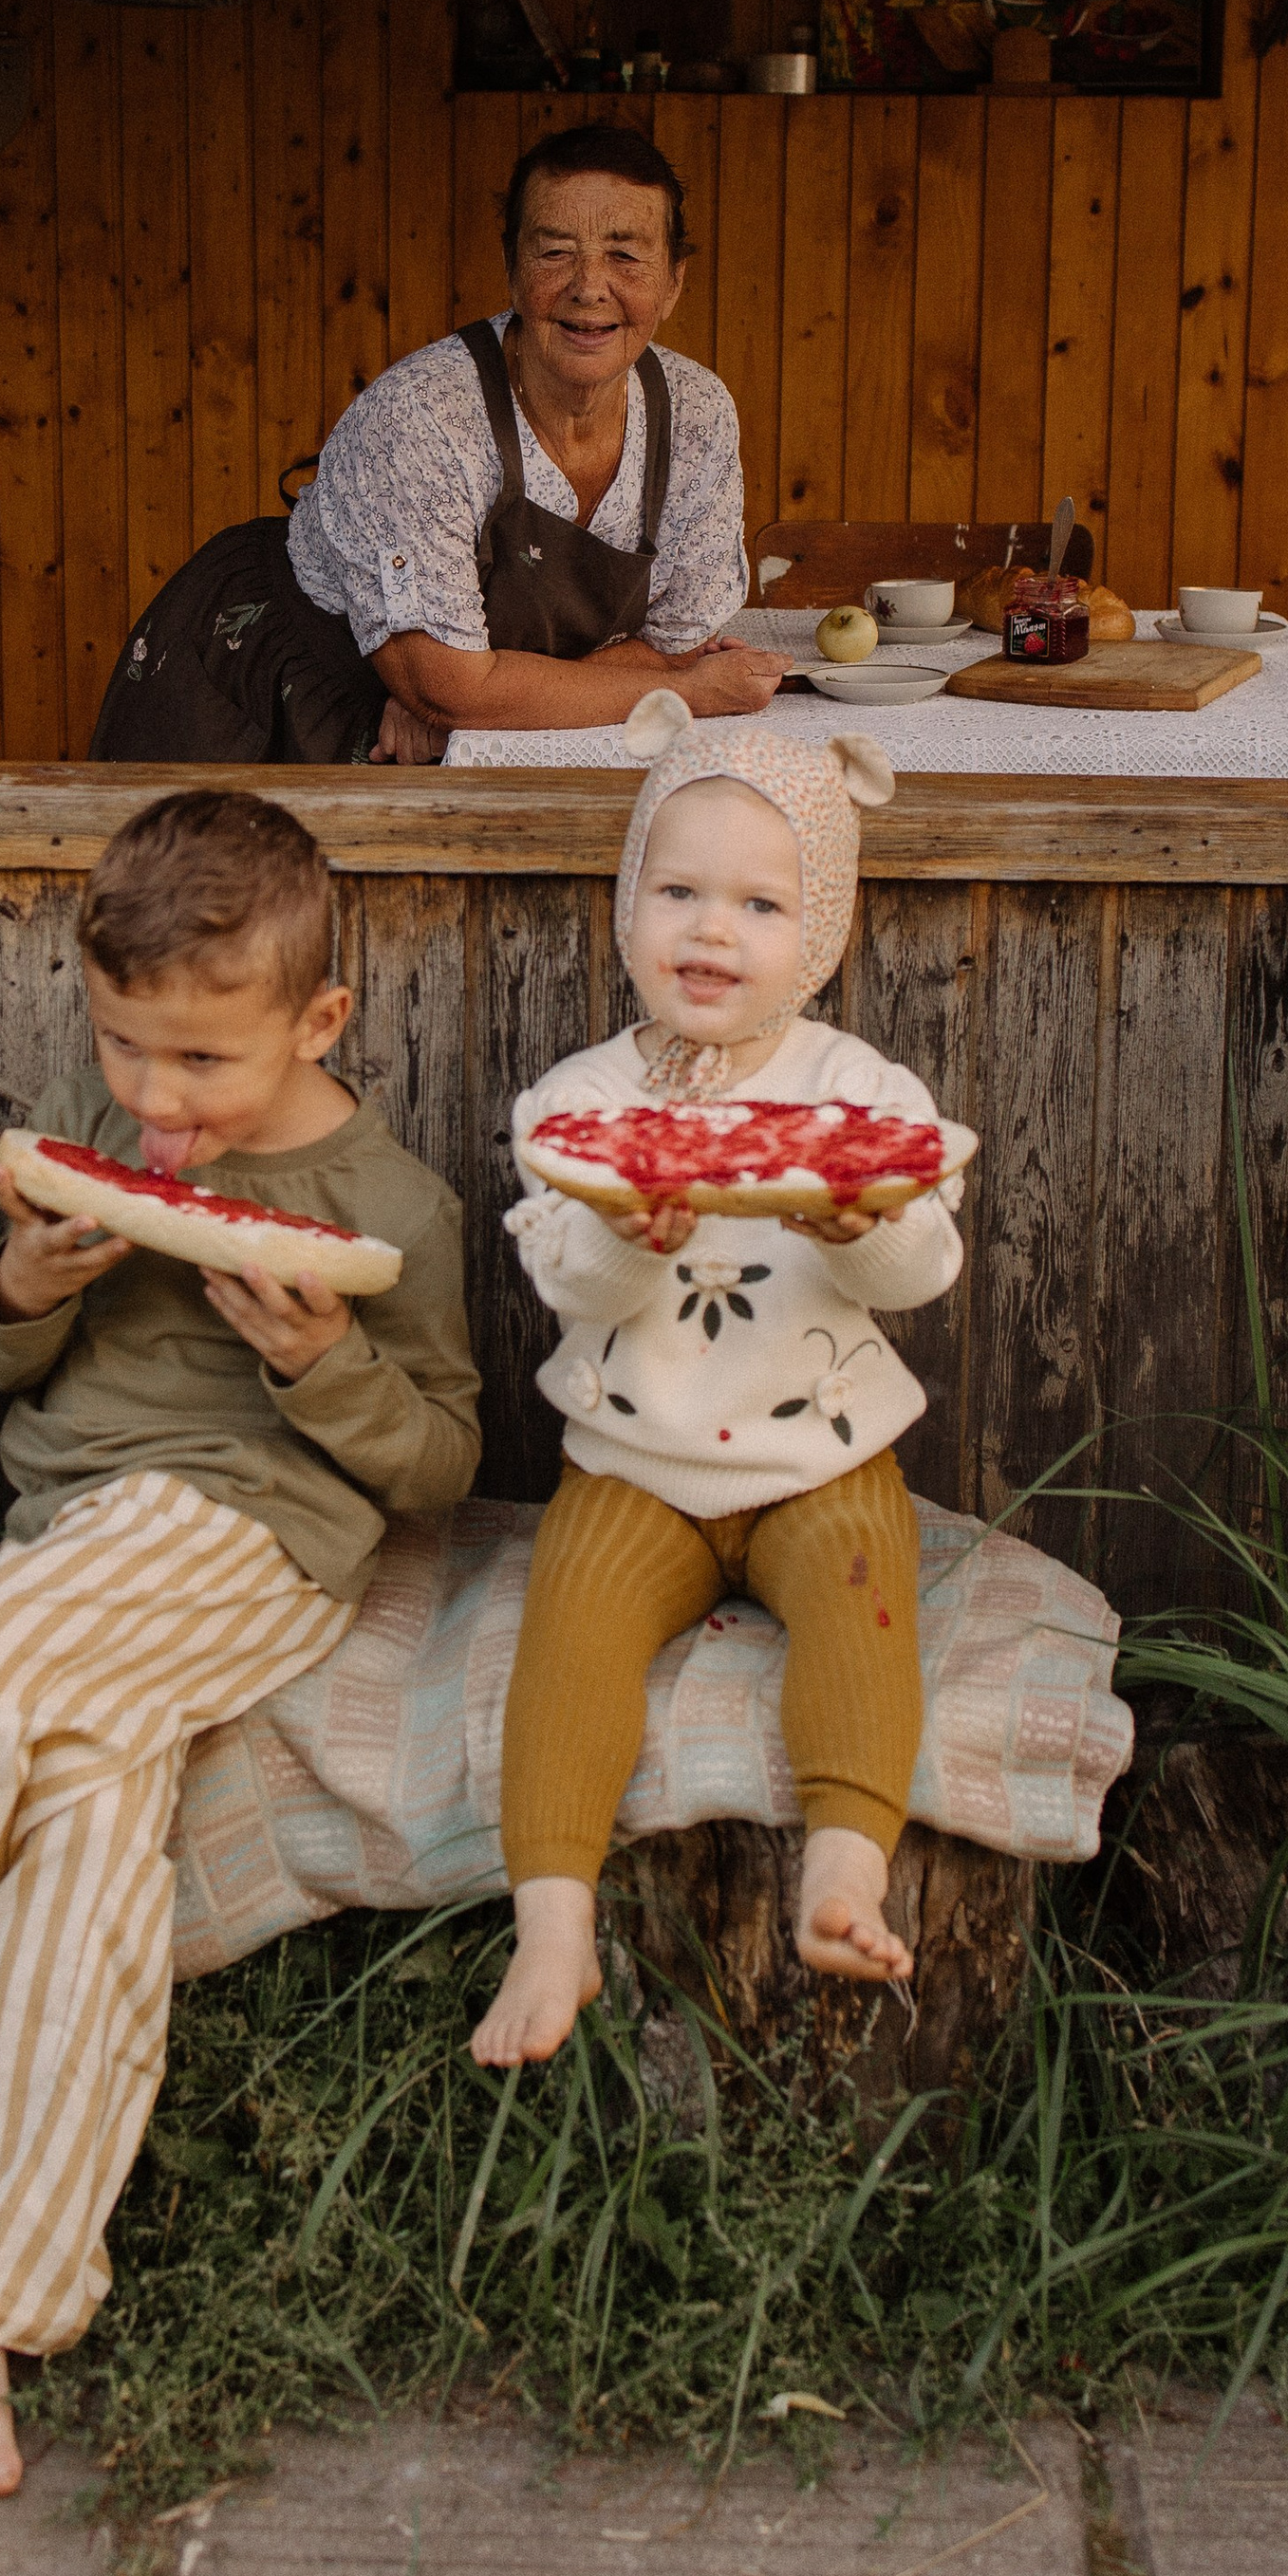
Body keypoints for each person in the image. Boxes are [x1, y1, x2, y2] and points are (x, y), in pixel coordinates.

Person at [0, 788, 482, 2498]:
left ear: (320, 1021)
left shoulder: (394, 1206)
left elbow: (442, 1464)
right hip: (76, 1541)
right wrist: (29, 1289)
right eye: (126, 1049)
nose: (155, 1103)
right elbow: (6, 1377)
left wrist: (318, 1366)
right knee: (84, 1832)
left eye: (204, 1066)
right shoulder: (83, 1124)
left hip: (258, 1540)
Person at [470, 692, 966, 2068]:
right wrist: (628, 1232)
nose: (708, 930)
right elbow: (571, 1281)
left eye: (756, 904)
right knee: (566, 1647)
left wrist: (871, 1222)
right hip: (634, 1460)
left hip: (824, 1459)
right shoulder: (577, 1102)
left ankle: (845, 1866)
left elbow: (922, 1269)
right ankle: (554, 1920)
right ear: (628, 901)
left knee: (869, 1622)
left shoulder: (863, 1089)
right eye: (676, 889)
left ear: (818, 931)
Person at [88, 121, 788, 764]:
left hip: (438, 717)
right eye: (555, 252)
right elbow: (454, 686)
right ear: (513, 270)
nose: (589, 288)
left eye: (626, 256)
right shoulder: (422, 417)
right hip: (275, 694)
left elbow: (675, 643)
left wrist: (481, 705)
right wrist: (691, 694)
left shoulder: (696, 415)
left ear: (673, 283)